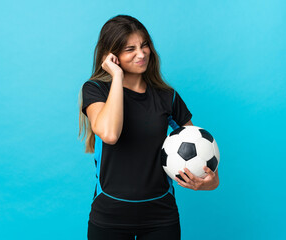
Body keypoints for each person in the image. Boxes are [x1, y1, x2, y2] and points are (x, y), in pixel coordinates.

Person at [78, 14, 220, 240]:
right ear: (111, 55)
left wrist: (210, 181)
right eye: (129, 49)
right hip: (109, 216)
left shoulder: (167, 97)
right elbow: (110, 134)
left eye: (144, 45)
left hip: (160, 216)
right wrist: (116, 77)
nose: (141, 53)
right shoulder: (96, 90)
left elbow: (198, 149)